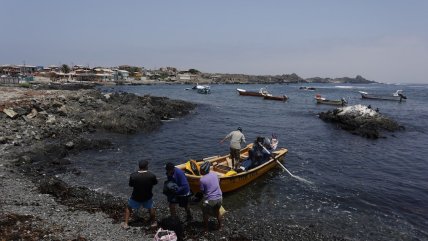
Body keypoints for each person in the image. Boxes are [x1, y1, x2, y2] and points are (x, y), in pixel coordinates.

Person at [122, 160, 158, 229]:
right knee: (151, 208)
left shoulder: (133, 175)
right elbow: (155, 183)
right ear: (146, 166)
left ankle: (126, 224)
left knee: (129, 207)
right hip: (147, 196)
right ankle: (153, 222)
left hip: (136, 197)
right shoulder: (151, 175)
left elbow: (130, 185)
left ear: (139, 167)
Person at [199, 161, 223, 232]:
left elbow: (202, 191)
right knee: (217, 212)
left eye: (201, 170)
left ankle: (206, 228)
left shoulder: (202, 179)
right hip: (219, 198)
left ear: (204, 171)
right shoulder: (214, 174)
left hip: (210, 200)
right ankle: (220, 227)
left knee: (205, 213)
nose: (200, 171)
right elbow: (218, 182)